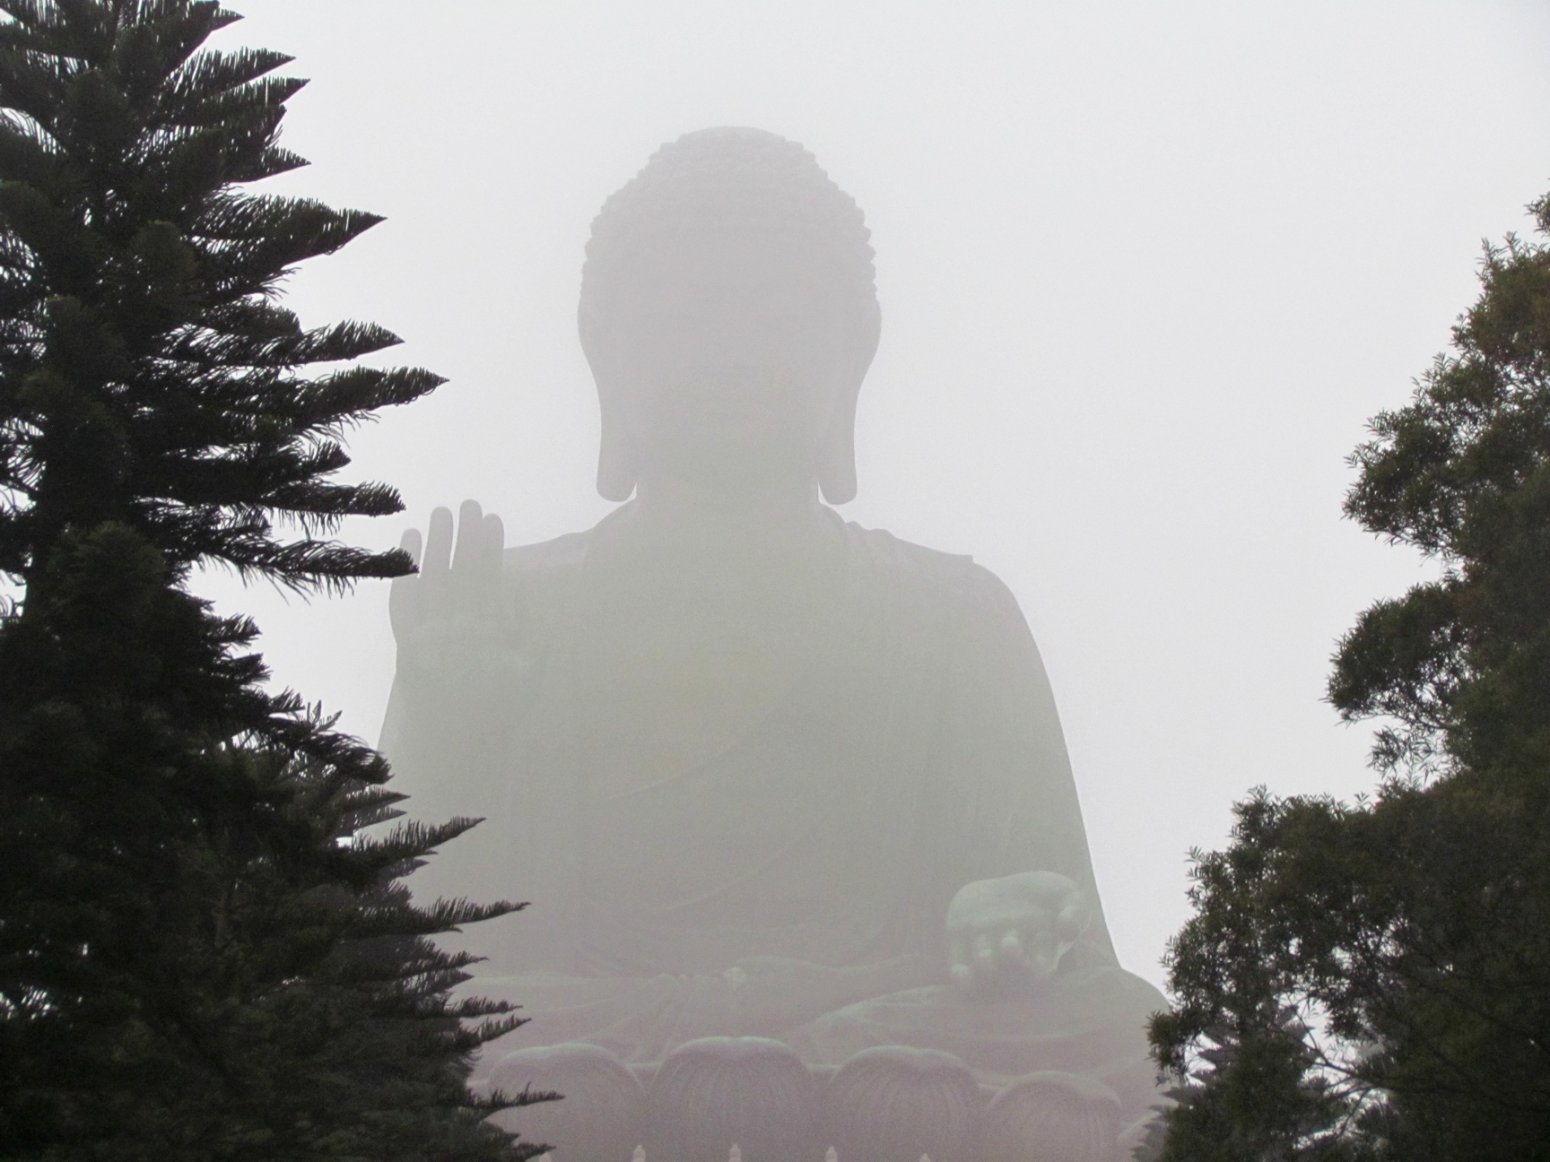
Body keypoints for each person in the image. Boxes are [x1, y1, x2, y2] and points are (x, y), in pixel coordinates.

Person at [382, 128, 1165, 1133]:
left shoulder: (950, 613)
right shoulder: (511, 604)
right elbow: (400, 946)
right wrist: (454, 740)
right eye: (682, 316)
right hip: (592, 1036)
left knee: (1122, 1033)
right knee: (383, 1030)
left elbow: (1063, 938)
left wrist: (1015, 915)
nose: (731, 352)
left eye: (779, 315)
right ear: (605, 358)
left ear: (852, 357)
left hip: (876, 1032)